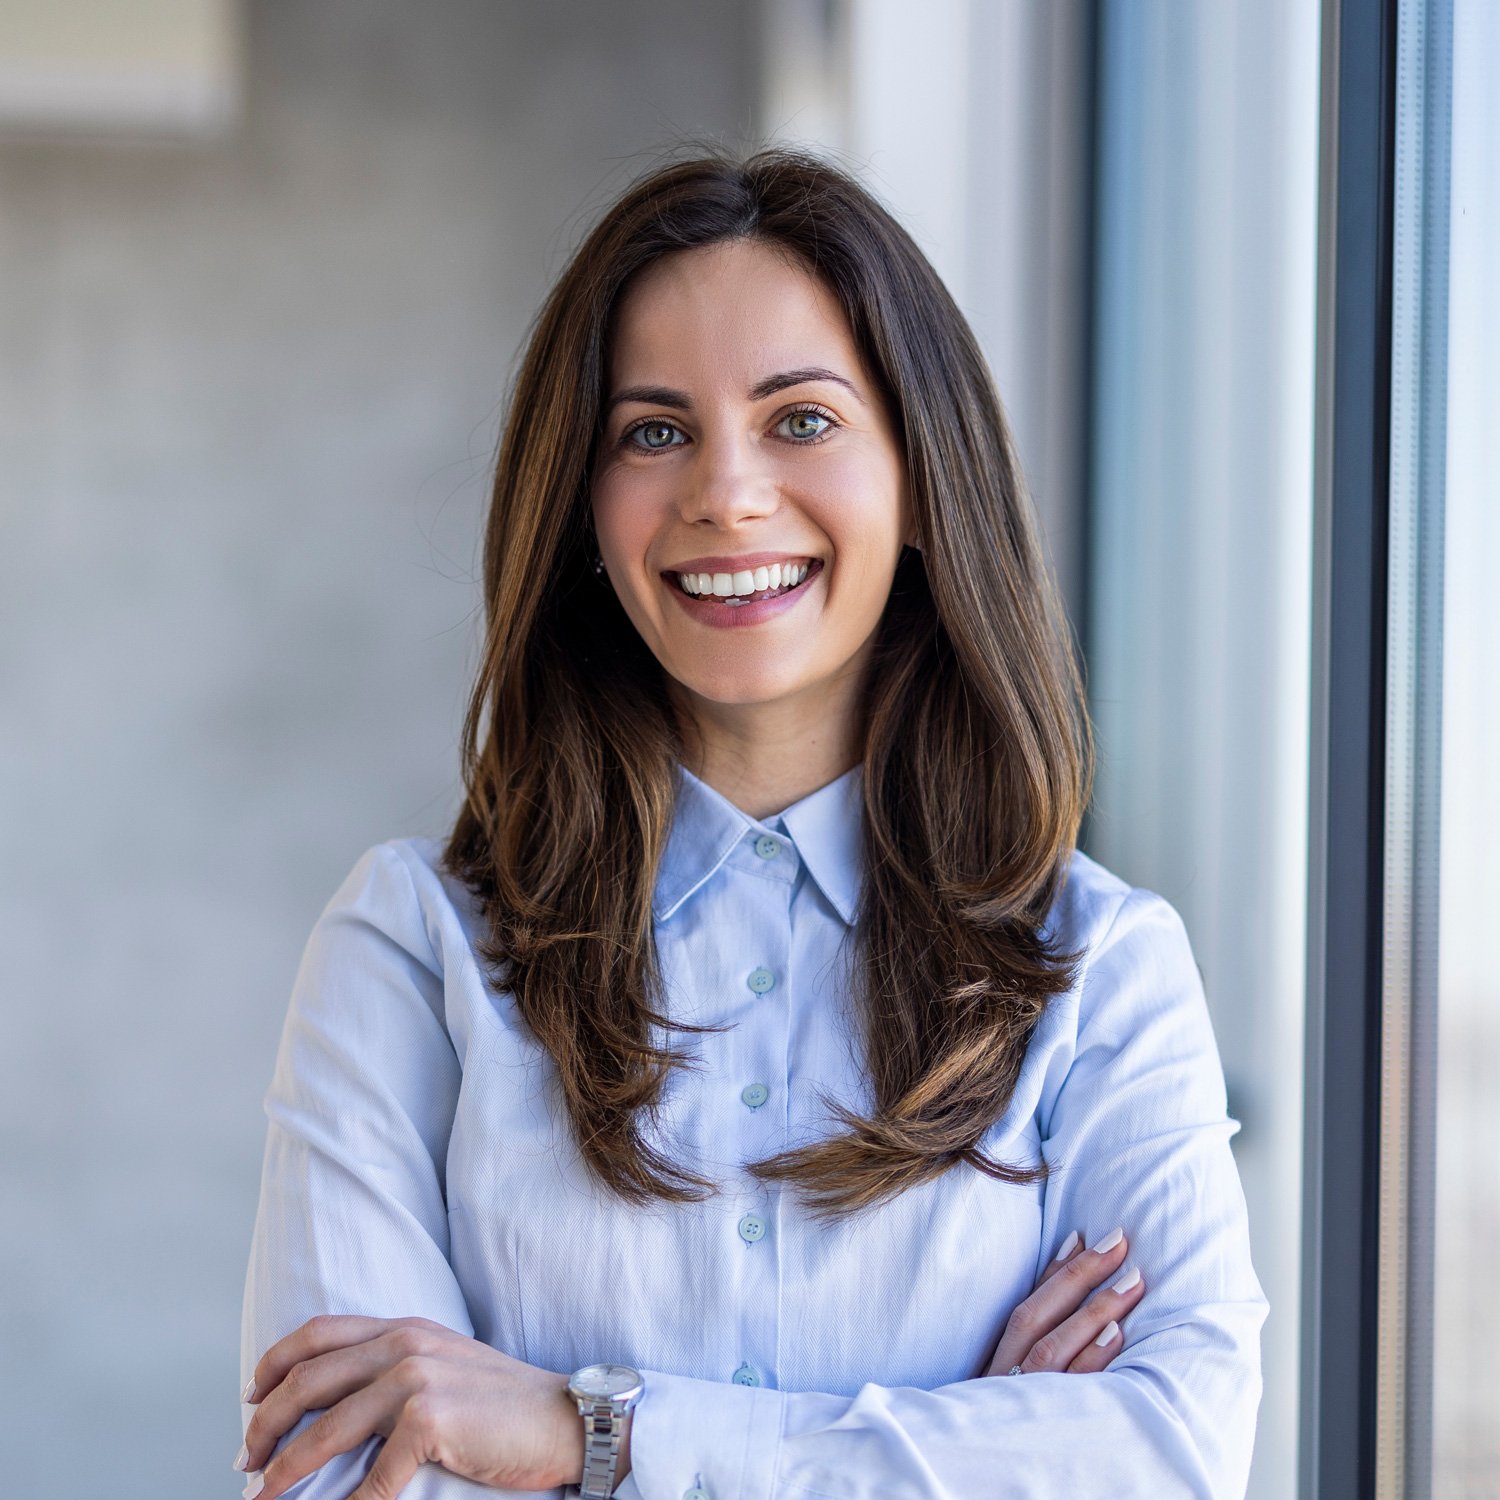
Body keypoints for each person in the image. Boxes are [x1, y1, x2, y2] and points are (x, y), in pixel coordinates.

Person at [237, 144, 1267, 1500]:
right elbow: (340, 1482)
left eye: (801, 419)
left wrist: (587, 1436)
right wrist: (978, 1439)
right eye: (653, 431)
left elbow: (1172, 1460)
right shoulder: (412, 954)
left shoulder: (1104, 973)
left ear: (921, 479)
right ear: (584, 519)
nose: (724, 492)